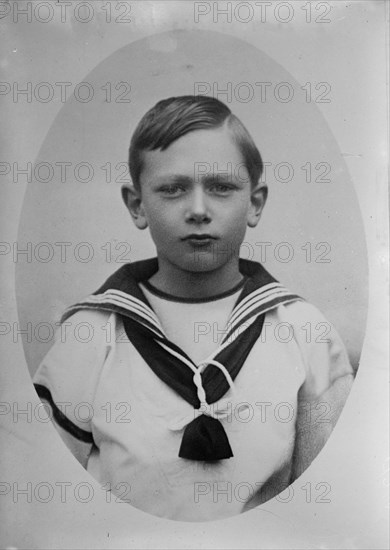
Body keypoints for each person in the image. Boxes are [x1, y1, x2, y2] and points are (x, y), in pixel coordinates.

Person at [33, 95, 354, 521]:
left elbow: (330, 504)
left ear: (255, 203)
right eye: (173, 188)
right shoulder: (91, 336)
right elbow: (42, 498)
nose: (199, 210)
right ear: (136, 204)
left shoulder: (304, 333)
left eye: (222, 187)